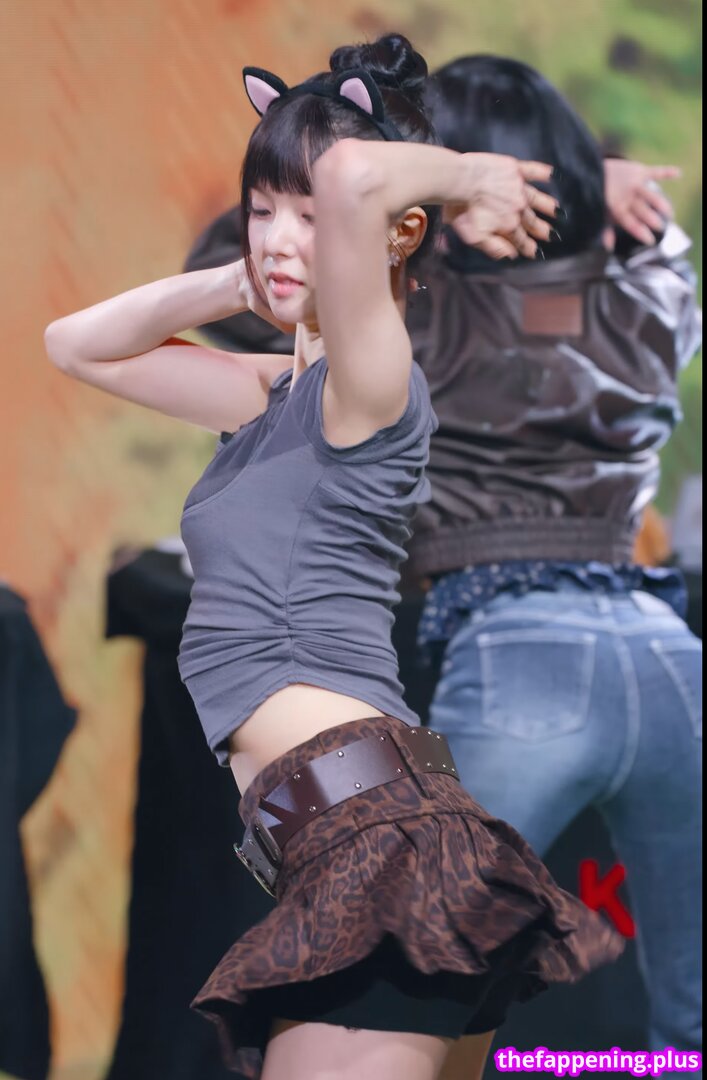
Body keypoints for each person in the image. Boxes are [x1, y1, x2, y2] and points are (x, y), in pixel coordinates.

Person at [44, 35, 623, 1080]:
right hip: (357, 842)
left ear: (396, 230)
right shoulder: (273, 397)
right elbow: (74, 344)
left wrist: (465, 175)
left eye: (307, 215)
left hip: (379, 846)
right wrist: (247, 275)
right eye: (262, 207)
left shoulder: (372, 391)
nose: (279, 234)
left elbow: (357, 175)